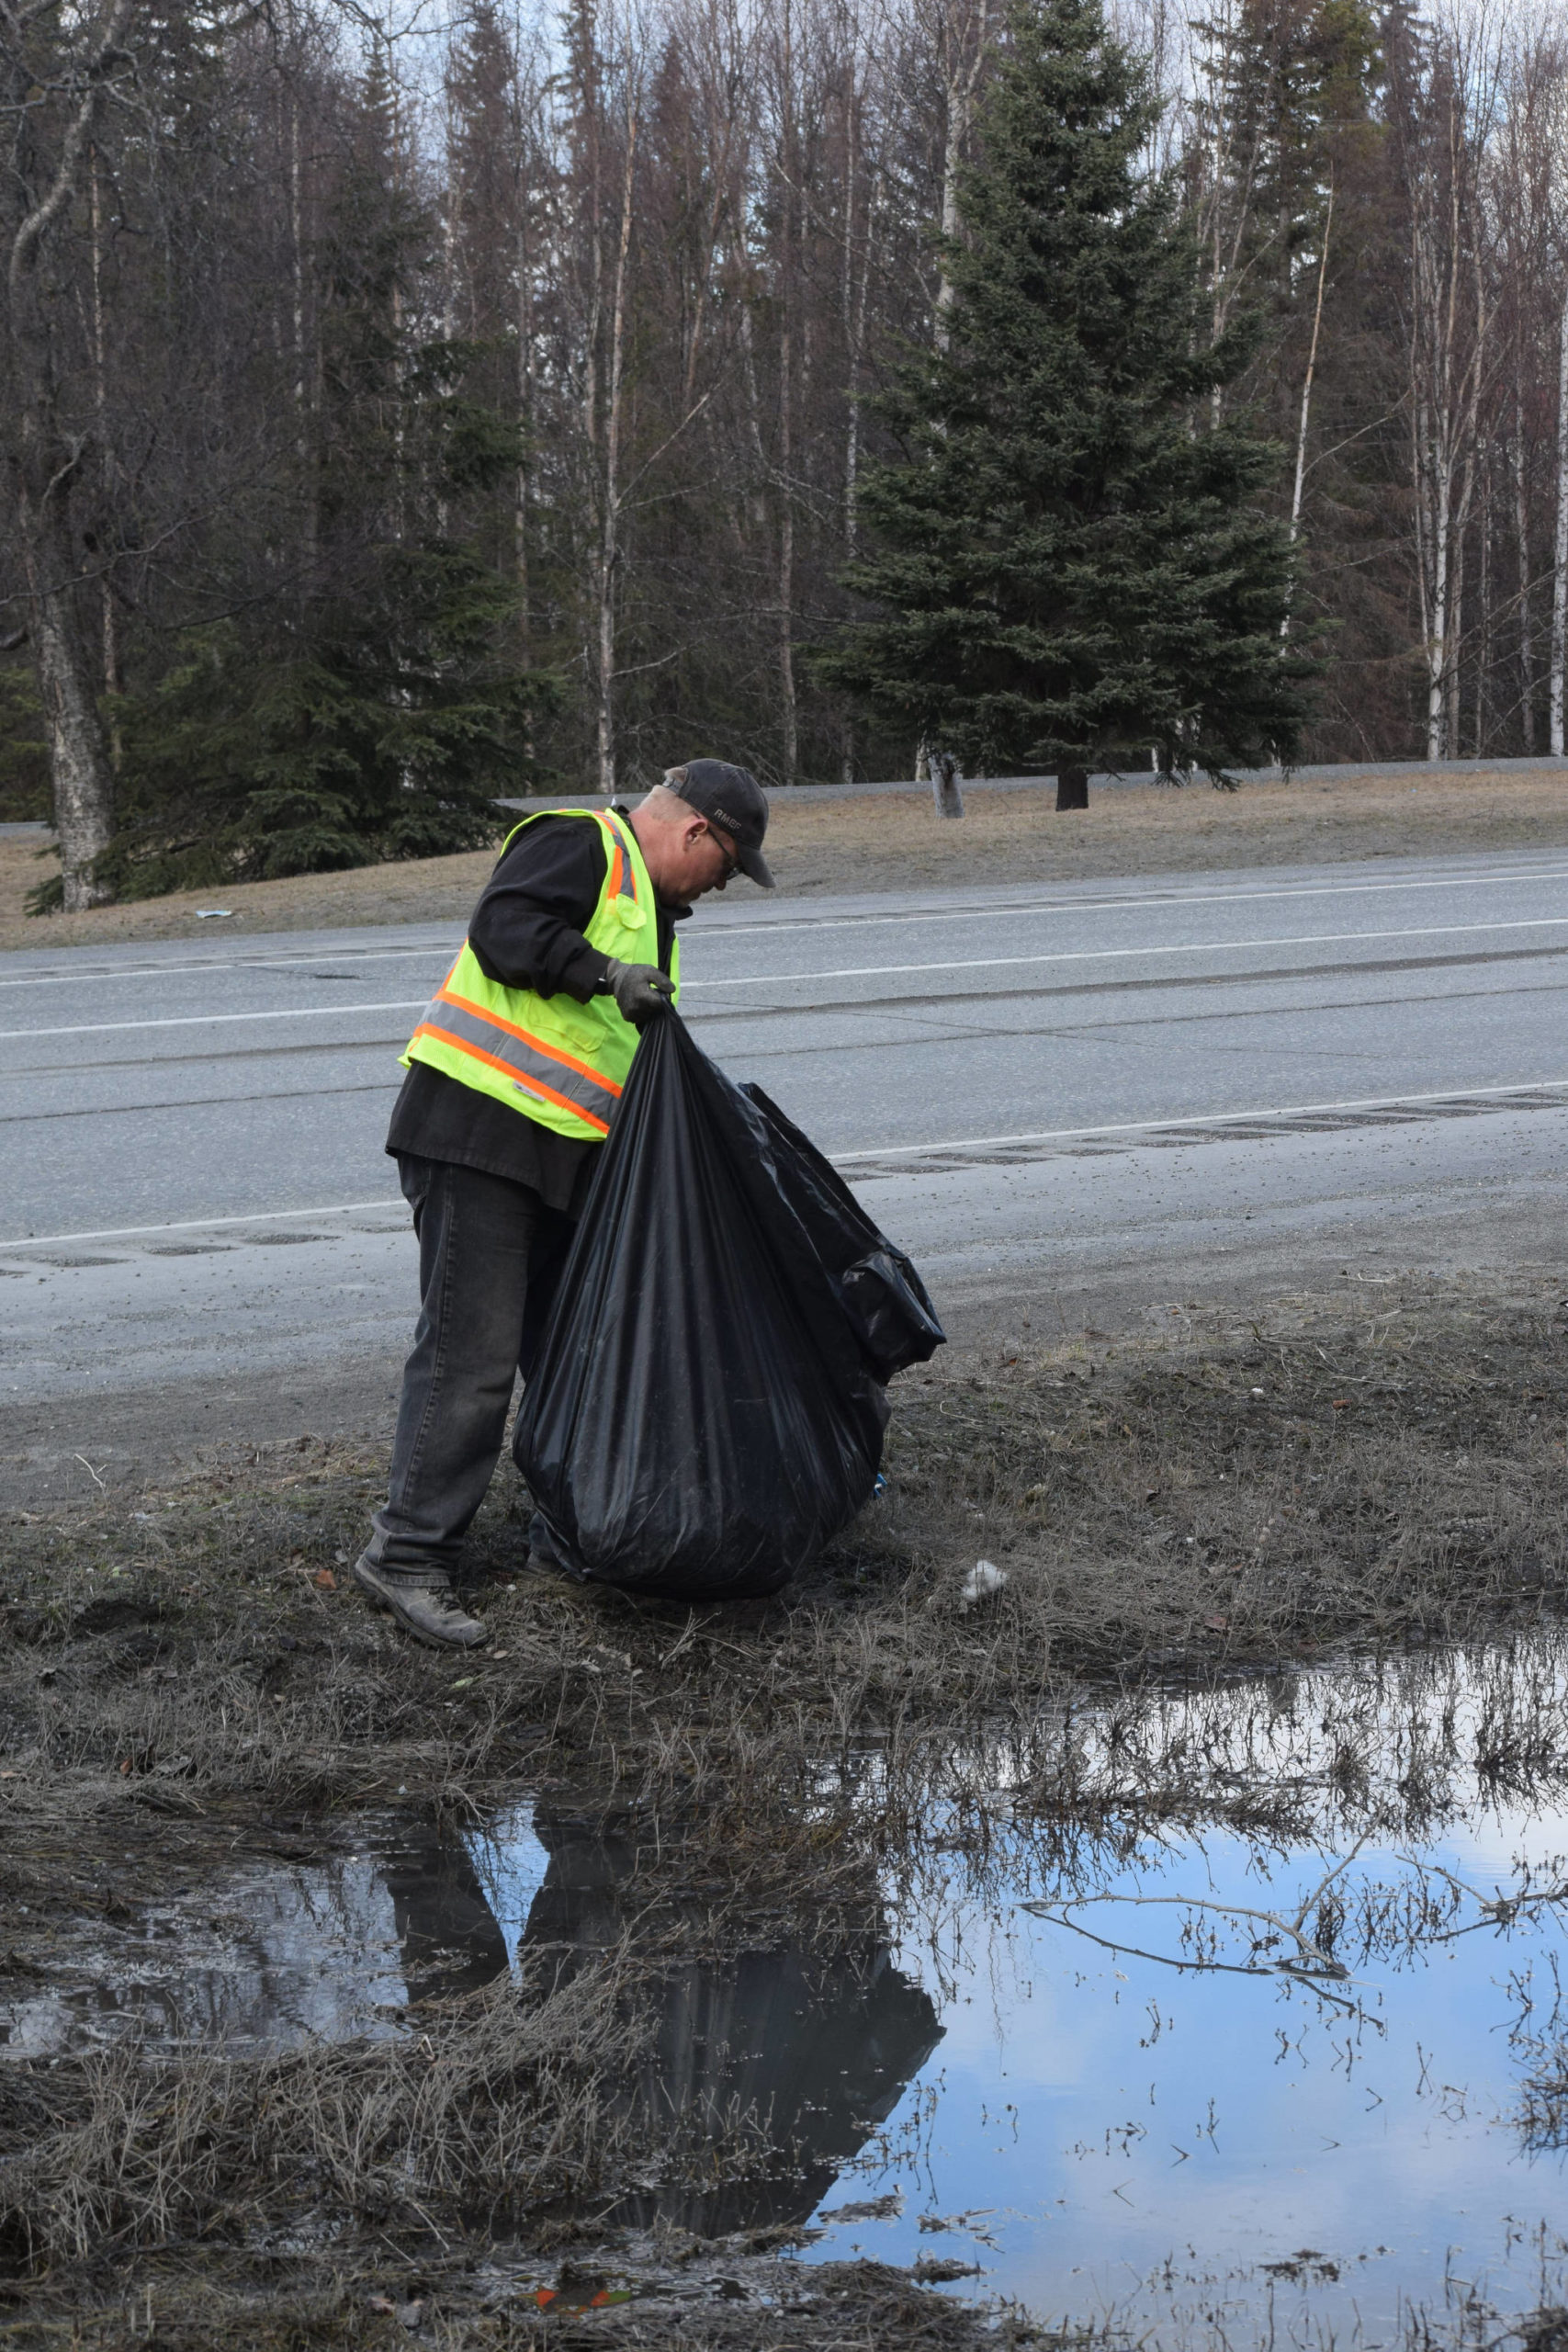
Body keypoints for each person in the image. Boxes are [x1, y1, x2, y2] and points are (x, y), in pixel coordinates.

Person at [355, 761, 774, 1648]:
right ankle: (407, 1555)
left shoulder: (656, 914)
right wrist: (601, 973)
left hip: (562, 1160)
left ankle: (570, 1530)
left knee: (572, 1355)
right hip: (478, 1138)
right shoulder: (580, 844)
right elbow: (503, 930)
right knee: (471, 1359)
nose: (724, 885)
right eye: (728, 866)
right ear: (697, 831)